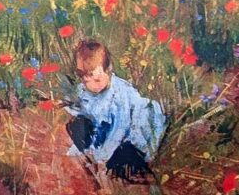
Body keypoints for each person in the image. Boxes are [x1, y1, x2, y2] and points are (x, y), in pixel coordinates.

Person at [64, 39, 167, 181]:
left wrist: (103, 156)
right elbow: (87, 111)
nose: (92, 86)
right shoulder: (84, 90)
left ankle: (130, 172)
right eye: (86, 81)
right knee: (77, 123)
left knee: (123, 158)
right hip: (107, 128)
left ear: (108, 70)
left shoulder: (119, 94)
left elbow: (120, 128)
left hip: (131, 132)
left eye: (97, 80)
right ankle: (92, 157)